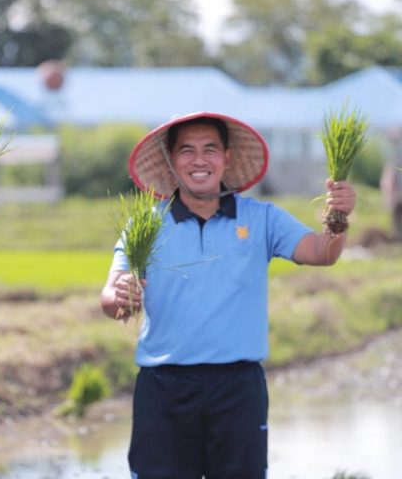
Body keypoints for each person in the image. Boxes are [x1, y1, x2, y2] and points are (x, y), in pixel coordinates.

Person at [100, 112, 356, 479]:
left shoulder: (262, 218)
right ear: (171, 161)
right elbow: (110, 298)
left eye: (210, 149)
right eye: (186, 151)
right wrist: (121, 295)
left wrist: (340, 216)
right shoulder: (146, 226)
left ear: (227, 158)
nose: (199, 160)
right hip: (164, 389)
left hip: (238, 389)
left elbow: (322, 253)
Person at [380, 158, 402, 240]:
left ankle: (398, 236)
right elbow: (388, 185)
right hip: (396, 198)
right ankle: (398, 237)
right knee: (397, 218)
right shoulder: (393, 165)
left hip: (397, 197)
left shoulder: (394, 164)